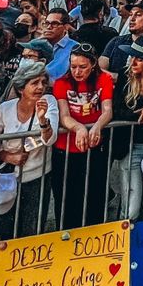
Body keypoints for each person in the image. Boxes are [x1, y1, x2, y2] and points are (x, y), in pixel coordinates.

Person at [89, 34, 143, 222]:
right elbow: (120, 110)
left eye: (139, 58)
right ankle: (126, 241)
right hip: (130, 147)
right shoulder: (125, 77)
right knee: (132, 206)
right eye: (132, 57)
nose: (133, 61)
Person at [0, 61, 59, 240]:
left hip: (37, 176)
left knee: (31, 227)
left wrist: (43, 121)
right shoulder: (5, 109)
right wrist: (5, 156)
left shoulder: (49, 102)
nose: (40, 87)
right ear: (21, 87)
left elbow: (50, 138)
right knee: (6, 226)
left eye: (43, 82)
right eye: (34, 83)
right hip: (8, 176)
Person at [52, 47, 114, 227]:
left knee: (95, 197)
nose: (77, 72)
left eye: (82, 67)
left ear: (93, 65)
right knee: (66, 201)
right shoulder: (62, 82)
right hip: (66, 149)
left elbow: (107, 110)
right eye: (73, 67)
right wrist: (79, 128)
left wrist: (97, 127)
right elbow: (64, 115)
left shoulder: (104, 79)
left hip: (94, 147)